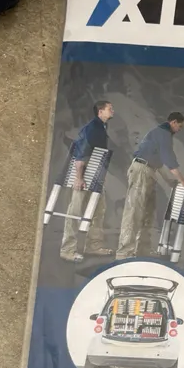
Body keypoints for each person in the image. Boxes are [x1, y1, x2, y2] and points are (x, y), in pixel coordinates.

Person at [116, 112, 184, 260]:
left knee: (147, 212)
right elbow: (168, 159)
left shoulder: (161, 134)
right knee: (134, 212)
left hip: (149, 171)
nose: (180, 130)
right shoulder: (163, 134)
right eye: (180, 126)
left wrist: (169, 180)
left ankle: (142, 249)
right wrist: (182, 180)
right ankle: (124, 252)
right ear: (173, 122)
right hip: (141, 171)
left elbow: (159, 162)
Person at [61, 100, 114, 263]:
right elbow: (81, 154)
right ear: (100, 111)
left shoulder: (101, 127)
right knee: (75, 211)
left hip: (95, 173)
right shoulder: (92, 128)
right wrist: (79, 178)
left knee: (99, 210)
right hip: (84, 172)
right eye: (110, 109)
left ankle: (93, 246)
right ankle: (67, 250)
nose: (112, 111)